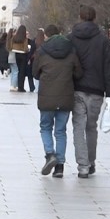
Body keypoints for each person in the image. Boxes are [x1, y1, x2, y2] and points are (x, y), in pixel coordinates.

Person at [67, 5, 110, 178]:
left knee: (78, 126)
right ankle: (91, 161)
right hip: (96, 90)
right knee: (91, 127)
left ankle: (83, 166)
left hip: (77, 88)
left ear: (79, 17)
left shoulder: (71, 38)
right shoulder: (104, 41)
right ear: (95, 18)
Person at [33, 25, 83, 178]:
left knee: (45, 127)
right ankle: (60, 166)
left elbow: (35, 74)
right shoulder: (71, 51)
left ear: (46, 36)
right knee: (60, 131)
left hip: (46, 96)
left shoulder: (41, 51)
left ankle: (50, 155)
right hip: (65, 95)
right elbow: (79, 73)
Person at [11, 25, 29, 92]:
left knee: (18, 70)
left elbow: (11, 45)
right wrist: (28, 50)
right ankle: (21, 87)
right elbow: (25, 48)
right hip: (23, 55)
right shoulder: (24, 38)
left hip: (16, 54)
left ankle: (18, 86)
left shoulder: (15, 37)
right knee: (22, 71)